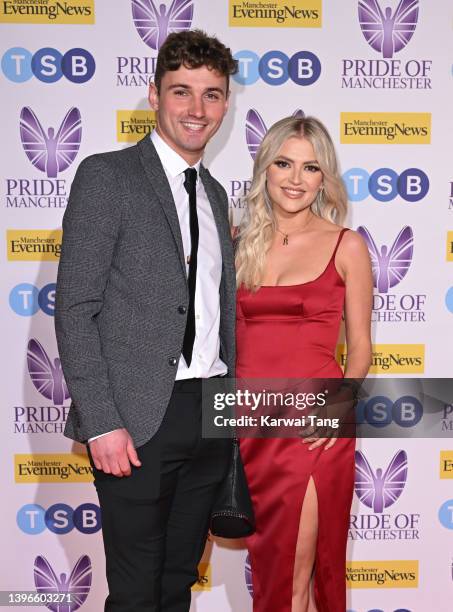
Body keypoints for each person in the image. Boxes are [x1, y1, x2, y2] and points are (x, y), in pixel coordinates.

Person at [55, 30, 237, 612]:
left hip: (209, 413)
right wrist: (103, 421)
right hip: (134, 422)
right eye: (181, 91)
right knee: (135, 592)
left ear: (225, 105)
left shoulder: (215, 194)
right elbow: (76, 308)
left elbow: (214, 311)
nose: (196, 109)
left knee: (177, 582)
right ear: (154, 95)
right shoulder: (107, 176)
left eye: (211, 95)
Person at [235, 116, 372, 612]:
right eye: (284, 163)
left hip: (312, 425)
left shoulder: (346, 244)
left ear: (324, 178)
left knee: (301, 571)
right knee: (271, 570)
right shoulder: (237, 243)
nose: (295, 179)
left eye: (310, 167)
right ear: (264, 170)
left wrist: (342, 399)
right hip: (244, 423)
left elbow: (360, 346)